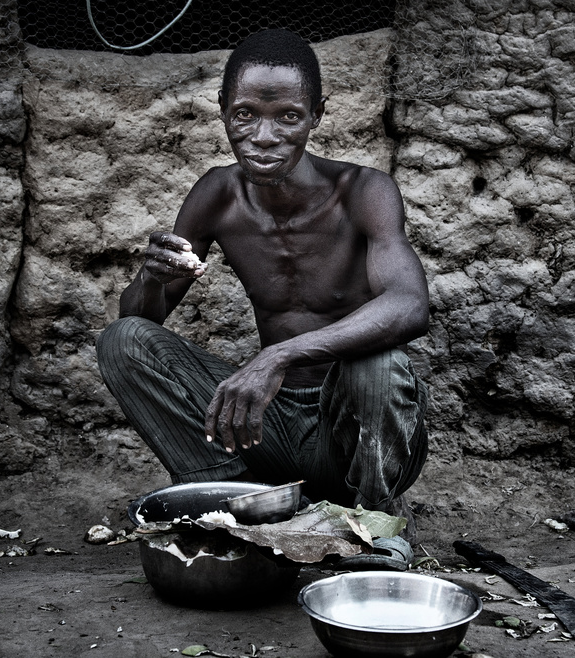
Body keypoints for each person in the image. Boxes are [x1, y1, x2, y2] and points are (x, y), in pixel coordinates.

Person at [97, 29, 430, 554]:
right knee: (122, 339)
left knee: (378, 364)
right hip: (266, 429)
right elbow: (143, 319)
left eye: (288, 118)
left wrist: (277, 356)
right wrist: (154, 280)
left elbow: (411, 305)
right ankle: (235, 507)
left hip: (348, 432)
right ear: (224, 109)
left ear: (317, 116)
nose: (264, 136)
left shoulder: (365, 191)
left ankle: (375, 523)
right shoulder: (217, 193)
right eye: (246, 114)